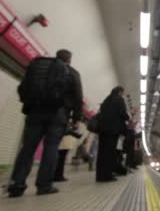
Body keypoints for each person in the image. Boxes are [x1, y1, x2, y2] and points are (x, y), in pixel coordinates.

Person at [7, 49, 83, 197]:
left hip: (35, 111)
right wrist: (76, 119)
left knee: (28, 148)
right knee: (51, 148)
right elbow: (78, 97)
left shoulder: (39, 66)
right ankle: (44, 186)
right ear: (69, 60)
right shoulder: (72, 72)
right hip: (58, 114)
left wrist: (28, 104)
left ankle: (17, 184)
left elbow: (23, 87)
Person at [96, 86, 129, 182]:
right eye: (122, 93)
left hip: (102, 130)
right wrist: (128, 117)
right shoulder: (119, 99)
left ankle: (99, 176)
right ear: (120, 92)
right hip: (113, 130)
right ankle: (107, 175)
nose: (123, 95)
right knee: (110, 152)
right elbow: (123, 113)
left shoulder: (106, 100)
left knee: (102, 152)